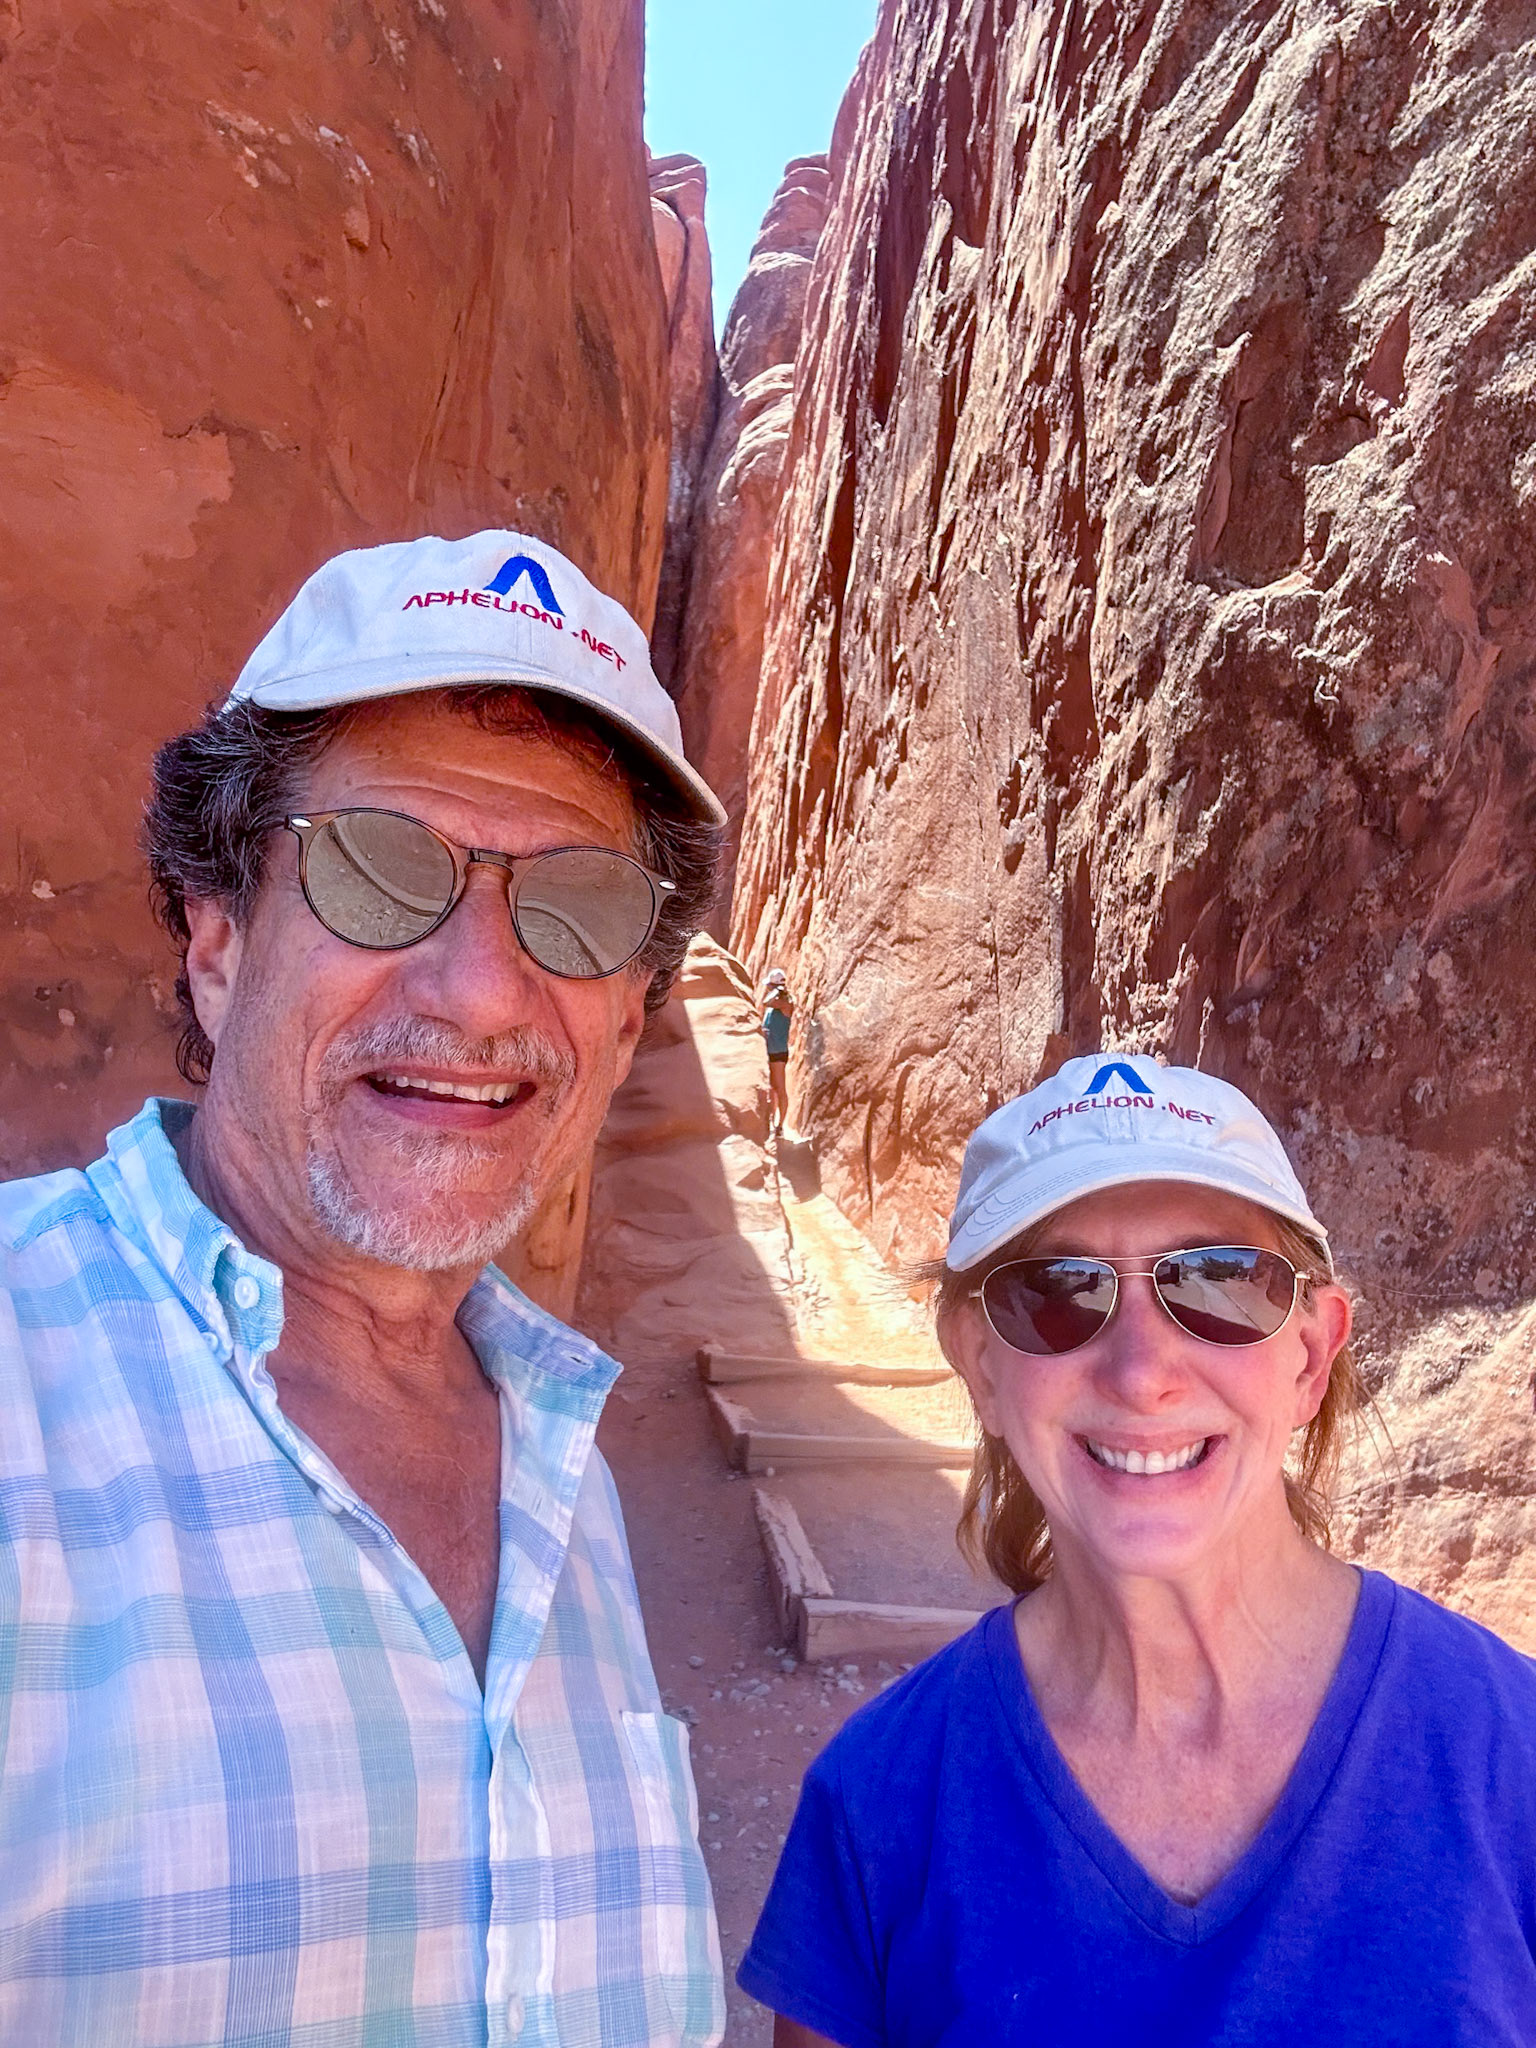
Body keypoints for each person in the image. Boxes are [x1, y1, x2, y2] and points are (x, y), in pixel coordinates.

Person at [0, 531, 729, 2046]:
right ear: (215, 936)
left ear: (630, 1014)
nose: (478, 989)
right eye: (380, 867)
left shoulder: (564, 1482)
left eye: (579, 906)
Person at [741, 1053, 1536, 2045]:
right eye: (1057, 1291)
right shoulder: (876, 1802)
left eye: (1217, 1280)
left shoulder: (1512, 1757)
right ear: (979, 1365)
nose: (1142, 1369)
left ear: (1311, 1353)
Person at [762, 967, 794, 1135]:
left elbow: (767, 1002)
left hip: (778, 1052)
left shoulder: (785, 1002)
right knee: (772, 1088)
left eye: (770, 986)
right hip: (769, 1050)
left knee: (779, 1088)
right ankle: (771, 1119)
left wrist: (779, 990)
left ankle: (780, 1125)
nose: (767, 988)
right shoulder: (774, 1004)